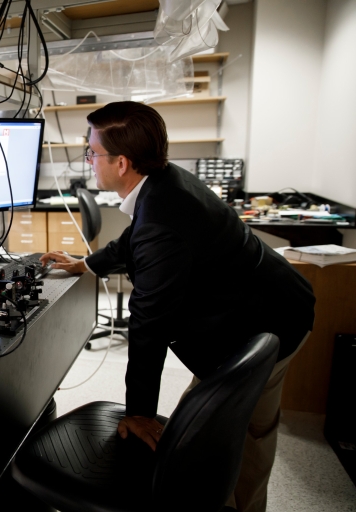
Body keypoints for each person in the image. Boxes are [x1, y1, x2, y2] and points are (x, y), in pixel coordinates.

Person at [40, 101, 315, 512]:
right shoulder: (163, 181)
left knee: (218, 438)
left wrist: (138, 413)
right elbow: (132, 240)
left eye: (92, 152)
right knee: (240, 429)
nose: (89, 161)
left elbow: (148, 323)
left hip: (269, 319)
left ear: (122, 163)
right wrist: (86, 263)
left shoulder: (160, 221)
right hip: (273, 306)